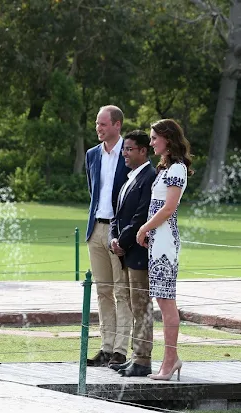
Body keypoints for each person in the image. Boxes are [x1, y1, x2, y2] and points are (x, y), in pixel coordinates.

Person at [136, 119, 193, 381]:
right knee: (162, 301)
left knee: (167, 303)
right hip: (158, 242)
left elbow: (169, 208)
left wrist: (143, 228)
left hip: (165, 244)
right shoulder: (166, 169)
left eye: (154, 138)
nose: (151, 143)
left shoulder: (177, 169)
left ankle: (170, 361)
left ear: (167, 139)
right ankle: (170, 360)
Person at [85, 105, 132, 367]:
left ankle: (121, 350)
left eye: (103, 124)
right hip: (96, 230)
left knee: (122, 292)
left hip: (119, 232)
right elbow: (93, 191)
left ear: (117, 125)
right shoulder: (92, 154)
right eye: (96, 124)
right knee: (102, 291)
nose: (98, 128)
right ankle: (105, 347)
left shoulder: (130, 152)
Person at [107, 130, 155, 377]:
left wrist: (122, 241)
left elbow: (141, 215)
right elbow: (117, 215)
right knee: (134, 306)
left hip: (139, 253)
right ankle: (135, 358)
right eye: (124, 149)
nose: (124, 153)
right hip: (125, 251)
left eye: (129, 149)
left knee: (142, 306)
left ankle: (143, 360)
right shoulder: (129, 178)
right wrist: (113, 238)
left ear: (143, 151)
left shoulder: (150, 177)